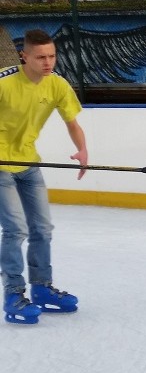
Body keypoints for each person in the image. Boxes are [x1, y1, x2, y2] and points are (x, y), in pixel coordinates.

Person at [1, 29, 88, 325]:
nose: (48, 62)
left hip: (28, 162)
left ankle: (41, 288)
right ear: (24, 56)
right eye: (41, 57)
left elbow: (72, 122)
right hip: (0, 166)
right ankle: (13, 293)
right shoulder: (5, 82)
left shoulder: (58, 85)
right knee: (16, 230)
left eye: (52, 55)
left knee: (43, 229)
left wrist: (82, 150)